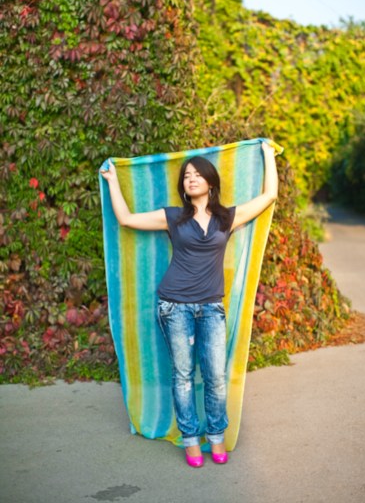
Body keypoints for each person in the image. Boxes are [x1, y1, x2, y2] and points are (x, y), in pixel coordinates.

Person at [100, 141, 278, 468]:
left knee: (215, 376)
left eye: (198, 174)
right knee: (183, 375)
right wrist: (113, 181)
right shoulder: (173, 217)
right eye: (186, 176)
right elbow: (126, 219)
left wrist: (268, 153)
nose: (192, 179)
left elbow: (269, 196)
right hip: (174, 306)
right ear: (183, 186)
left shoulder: (227, 218)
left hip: (211, 308)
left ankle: (216, 435)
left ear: (211, 182)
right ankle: (191, 439)